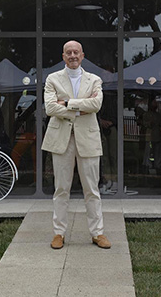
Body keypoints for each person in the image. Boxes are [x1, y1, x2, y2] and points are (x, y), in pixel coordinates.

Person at [42, 40, 111, 250]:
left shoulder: (95, 79)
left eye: (76, 52)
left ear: (82, 55)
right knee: (61, 189)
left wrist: (68, 103)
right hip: (61, 140)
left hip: (87, 139)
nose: (72, 55)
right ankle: (58, 233)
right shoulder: (52, 79)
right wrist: (81, 109)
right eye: (68, 52)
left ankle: (97, 233)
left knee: (92, 189)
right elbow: (50, 109)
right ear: (63, 56)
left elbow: (96, 105)